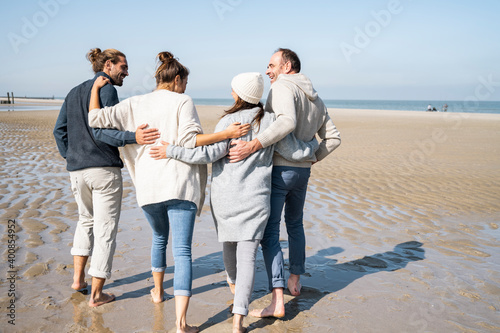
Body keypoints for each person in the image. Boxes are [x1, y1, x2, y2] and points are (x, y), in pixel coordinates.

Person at [87, 52, 249, 333]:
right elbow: (189, 141)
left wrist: (94, 89)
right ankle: (180, 324)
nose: (186, 88)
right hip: (180, 184)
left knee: (159, 238)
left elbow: (94, 119)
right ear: (177, 80)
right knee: (182, 251)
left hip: (149, 188)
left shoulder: (134, 103)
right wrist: (225, 135)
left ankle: (159, 292)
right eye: (185, 83)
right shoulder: (182, 100)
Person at [149, 72, 318, 333]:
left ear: (240, 94)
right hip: (257, 199)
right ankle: (238, 321)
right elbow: (292, 149)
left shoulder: (229, 122)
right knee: (247, 257)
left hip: (226, 200)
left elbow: (206, 153)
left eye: (233, 90)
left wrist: (170, 150)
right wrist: (315, 151)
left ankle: (235, 293)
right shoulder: (270, 121)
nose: (231, 94)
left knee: (230, 252)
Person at [228, 48, 341, 318]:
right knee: (295, 225)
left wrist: (254, 143)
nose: (268, 71)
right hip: (302, 173)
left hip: (279, 170)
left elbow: (286, 121)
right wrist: (312, 159)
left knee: (269, 233)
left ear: (287, 66)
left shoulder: (281, 88)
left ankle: (277, 300)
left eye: (271, 65)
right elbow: (334, 139)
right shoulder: (317, 98)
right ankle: (295, 280)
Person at [53, 48, 160, 307]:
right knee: (105, 230)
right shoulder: (108, 89)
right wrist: (134, 136)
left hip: (77, 171)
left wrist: (73, 158)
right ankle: (97, 295)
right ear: (109, 65)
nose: (127, 71)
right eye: (124, 66)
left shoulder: (73, 91)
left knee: (85, 222)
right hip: (103, 169)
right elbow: (103, 131)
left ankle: (78, 280)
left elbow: (59, 132)